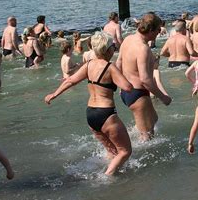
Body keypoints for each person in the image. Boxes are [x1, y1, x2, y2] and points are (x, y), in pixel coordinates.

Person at [45, 32, 133, 176]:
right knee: (125, 151)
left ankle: (110, 176)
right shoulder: (110, 67)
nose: (114, 48)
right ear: (108, 49)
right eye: (113, 46)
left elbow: (70, 80)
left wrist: (54, 94)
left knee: (112, 151)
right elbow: (128, 87)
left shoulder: (89, 65)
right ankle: (107, 177)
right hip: (106, 114)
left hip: (91, 114)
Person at [116, 13, 172, 141]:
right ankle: (135, 158)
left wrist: (121, 85)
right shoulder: (143, 48)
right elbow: (145, 80)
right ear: (151, 30)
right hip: (138, 93)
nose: (159, 33)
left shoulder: (128, 39)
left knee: (154, 119)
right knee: (147, 137)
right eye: (158, 30)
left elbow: (118, 63)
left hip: (127, 91)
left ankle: (133, 136)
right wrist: (163, 97)